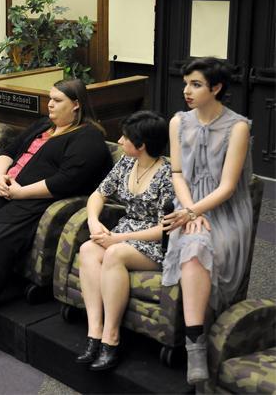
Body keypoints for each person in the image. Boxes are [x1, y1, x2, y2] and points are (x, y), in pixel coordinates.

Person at [0, 79, 113, 359]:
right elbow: (9, 149)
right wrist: (0, 177)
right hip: (9, 185)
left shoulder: (88, 137)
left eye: (57, 100)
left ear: (77, 104)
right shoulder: (44, 125)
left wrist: (20, 193)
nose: (50, 105)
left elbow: (66, 181)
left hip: (37, 199)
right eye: (50, 99)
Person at [162, 57, 253, 385]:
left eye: (196, 84)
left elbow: (228, 188)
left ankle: (193, 343)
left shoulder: (238, 127)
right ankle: (195, 344)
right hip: (186, 203)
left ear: (216, 88)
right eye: (185, 83)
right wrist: (188, 211)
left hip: (224, 210)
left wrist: (194, 213)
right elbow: (176, 174)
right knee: (194, 241)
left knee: (200, 241)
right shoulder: (177, 122)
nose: (186, 91)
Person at [76, 111, 174, 371]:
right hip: (124, 232)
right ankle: (94, 332)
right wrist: (94, 222)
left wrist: (120, 238)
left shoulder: (168, 175)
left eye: (125, 137)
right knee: (87, 249)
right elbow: (98, 195)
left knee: (115, 254)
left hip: (156, 242)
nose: (119, 141)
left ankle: (111, 338)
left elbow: (166, 228)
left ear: (141, 145)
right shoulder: (125, 163)